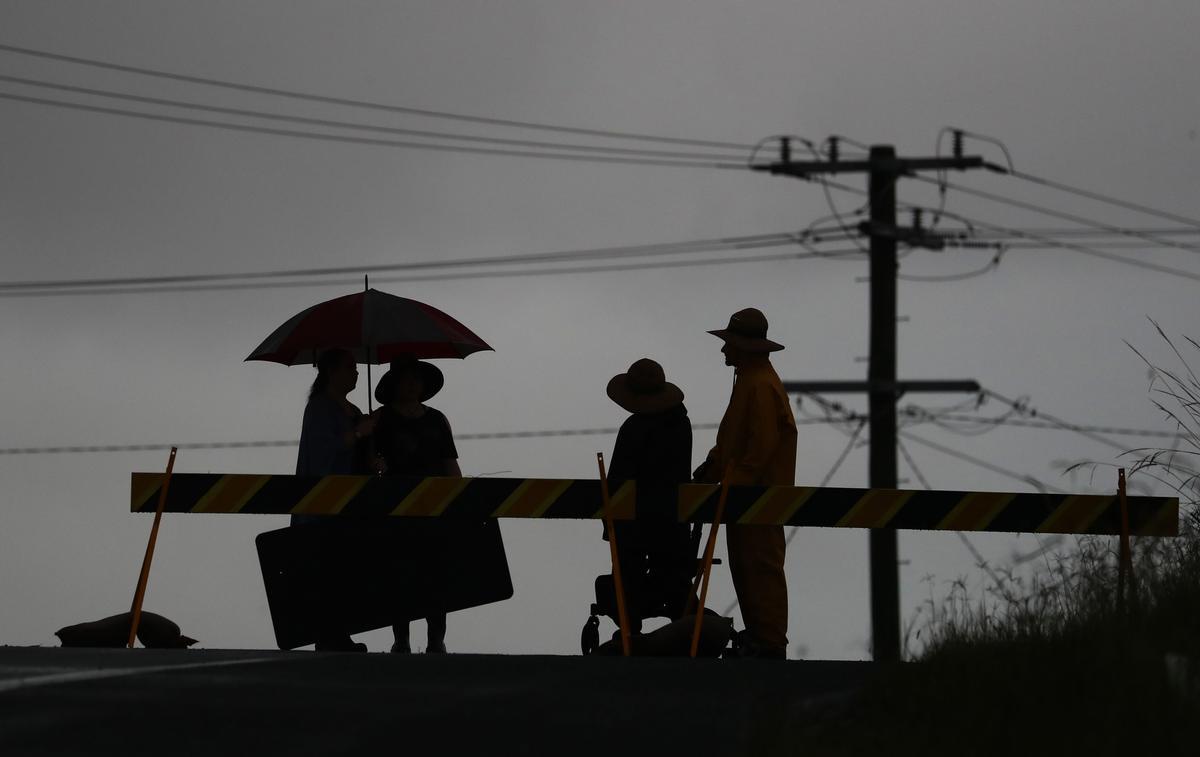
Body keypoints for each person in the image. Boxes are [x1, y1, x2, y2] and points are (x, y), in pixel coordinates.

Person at [696, 308, 797, 659]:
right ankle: (760, 638)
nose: (724, 350)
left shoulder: (760, 385)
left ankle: (769, 644)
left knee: (761, 567)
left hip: (757, 497)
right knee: (747, 566)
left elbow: (760, 447)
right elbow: (733, 442)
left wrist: (732, 484)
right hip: (745, 494)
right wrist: (711, 470)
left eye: (729, 343)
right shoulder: (750, 380)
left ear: (744, 347)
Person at [373, 354, 461, 654]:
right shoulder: (381, 419)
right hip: (396, 507)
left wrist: (460, 499)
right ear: (394, 384)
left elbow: (451, 464)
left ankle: (436, 638)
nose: (411, 384)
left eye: (416, 379)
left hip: (436, 508)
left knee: (436, 574)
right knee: (400, 573)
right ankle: (402, 638)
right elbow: (370, 463)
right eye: (405, 379)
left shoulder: (437, 419)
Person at [293, 347, 378, 652]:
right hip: (325, 505)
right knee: (326, 567)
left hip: (353, 503)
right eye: (350, 366)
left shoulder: (353, 411)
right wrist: (357, 433)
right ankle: (328, 633)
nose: (356, 372)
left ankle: (341, 630)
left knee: (347, 569)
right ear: (332, 371)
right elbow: (322, 452)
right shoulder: (319, 408)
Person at [603, 358, 695, 632]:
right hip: (674, 520)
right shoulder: (681, 425)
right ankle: (686, 630)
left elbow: (617, 480)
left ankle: (630, 631)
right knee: (675, 578)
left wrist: (610, 524)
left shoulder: (634, 428)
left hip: (634, 522)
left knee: (627, 578)